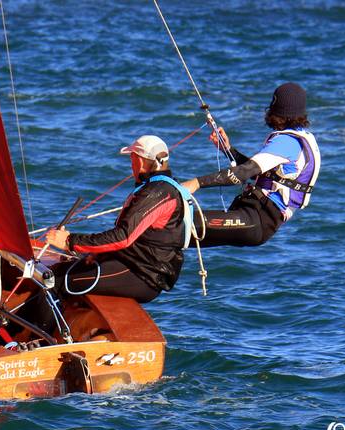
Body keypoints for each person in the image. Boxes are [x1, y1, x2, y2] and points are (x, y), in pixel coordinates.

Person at [44, 135, 192, 303]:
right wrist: (99, 253)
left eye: (132, 159)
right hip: (133, 263)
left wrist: (70, 241)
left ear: (141, 161)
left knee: (53, 279)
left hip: (143, 275)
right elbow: (138, 240)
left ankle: (35, 329)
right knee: (60, 269)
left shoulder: (156, 192)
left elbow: (123, 237)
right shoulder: (161, 187)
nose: (131, 165)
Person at [181, 82, 321, 247]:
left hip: (257, 218)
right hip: (257, 219)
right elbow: (258, 173)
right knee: (177, 236)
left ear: (278, 111)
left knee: (179, 225)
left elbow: (243, 173)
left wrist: (196, 183)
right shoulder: (301, 138)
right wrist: (228, 150)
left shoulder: (286, 142)